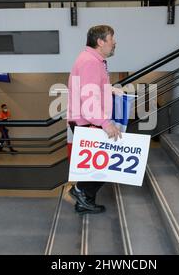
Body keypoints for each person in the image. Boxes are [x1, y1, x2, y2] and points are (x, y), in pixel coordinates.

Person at [67, 25, 122, 215]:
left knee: (94, 164)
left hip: (85, 120)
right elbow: (89, 99)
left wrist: (109, 90)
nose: (114, 42)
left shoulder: (92, 60)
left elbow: (91, 89)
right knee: (105, 163)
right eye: (111, 38)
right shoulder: (90, 62)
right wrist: (106, 124)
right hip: (88, 121)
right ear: (100, 42)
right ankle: (80, 190)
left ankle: (84, 203)